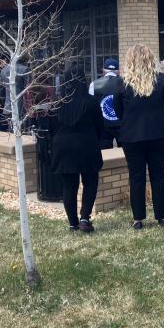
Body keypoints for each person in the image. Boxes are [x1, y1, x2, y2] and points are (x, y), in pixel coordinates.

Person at [114, 44, 164, 230]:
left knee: (136, 177)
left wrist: (126, 119)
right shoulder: (160, 79)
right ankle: (161, 217)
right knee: (158, 176)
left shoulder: (123, 82)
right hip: (159, 133)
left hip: (131, 135)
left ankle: (138, 218)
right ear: (150, 60)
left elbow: (116, 106)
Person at [51, 64, 103, 232]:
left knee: (69, 186)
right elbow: (100, 126)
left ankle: (72, 223)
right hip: (87, 145)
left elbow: (52, 128)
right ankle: (85, 217)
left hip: (64, 147)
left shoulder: (58, 103)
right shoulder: (92, 101)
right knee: (90, 182)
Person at [89, 58, 121, 149]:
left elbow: (91, 106)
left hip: (102, 125)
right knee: (125, 153)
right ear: (118, 71)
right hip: (122, 124)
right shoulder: (125, 83)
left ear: (103, 70)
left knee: (104, 153)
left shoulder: (93, 84)